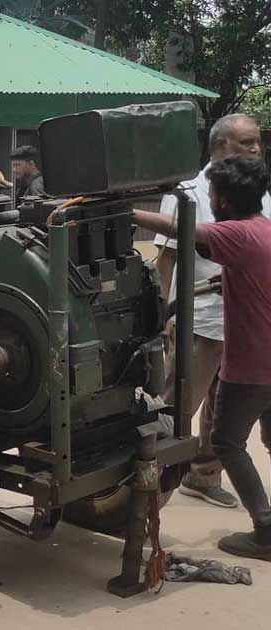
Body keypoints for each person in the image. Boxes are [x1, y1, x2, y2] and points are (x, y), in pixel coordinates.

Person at [133, 156, 271, 561]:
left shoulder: (235, 234)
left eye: (212, 192)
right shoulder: (263, 229)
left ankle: (265, 530)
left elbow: (179, 228)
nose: (208, 197)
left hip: (251, 366)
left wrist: (123, 211)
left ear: (223, 200)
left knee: (227, 442)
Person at [154, 113, 271, 509]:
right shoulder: (188, 192)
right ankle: (153, 481)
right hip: (199, 319)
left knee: (224, 409)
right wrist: (160, 316)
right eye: (247, 142)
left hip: (247, 325)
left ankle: (204, 476)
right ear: (220, 146)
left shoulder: (260, 189)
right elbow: (166, 259)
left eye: (257, 142)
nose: (256, 149)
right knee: (178, 403)